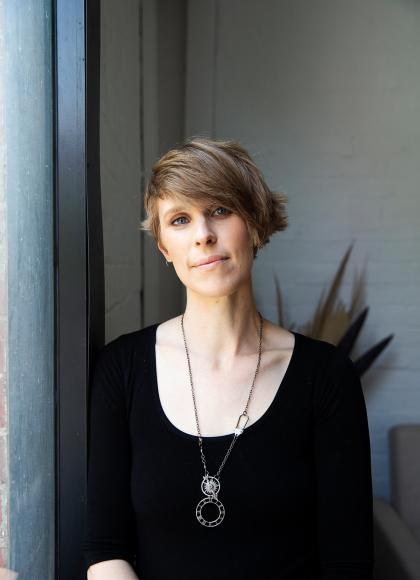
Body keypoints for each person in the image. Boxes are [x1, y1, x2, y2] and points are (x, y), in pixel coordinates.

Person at [83, 138, 374, 579]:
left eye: (220, 210)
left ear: (255, 224)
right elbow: (106, 553)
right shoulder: (122, 369)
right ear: (164, 247)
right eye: (180, 220)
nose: (203, 234)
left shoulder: (326, 376)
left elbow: (347, 563)